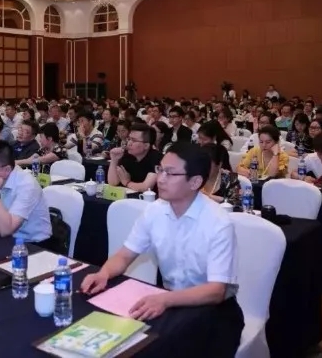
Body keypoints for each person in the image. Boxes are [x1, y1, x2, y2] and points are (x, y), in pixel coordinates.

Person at [80, 142, 243, 354]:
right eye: (160, 170)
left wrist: (165, 300)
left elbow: (216, 291)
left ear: (195, 182)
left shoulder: (218, 222)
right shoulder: (155, 211)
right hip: (169, 300)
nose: (161, 179)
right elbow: (124, 255)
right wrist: (103, 273)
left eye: (170, 173)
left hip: (213, 310)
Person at [107, 123, 160, 192]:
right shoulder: (127, 155)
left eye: (134, 140)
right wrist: (114, 160)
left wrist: (127, 183)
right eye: (129, 139)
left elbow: (146, 187)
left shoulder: (157, 158)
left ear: (146, 146)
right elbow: (113, 182)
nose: (129, 143)